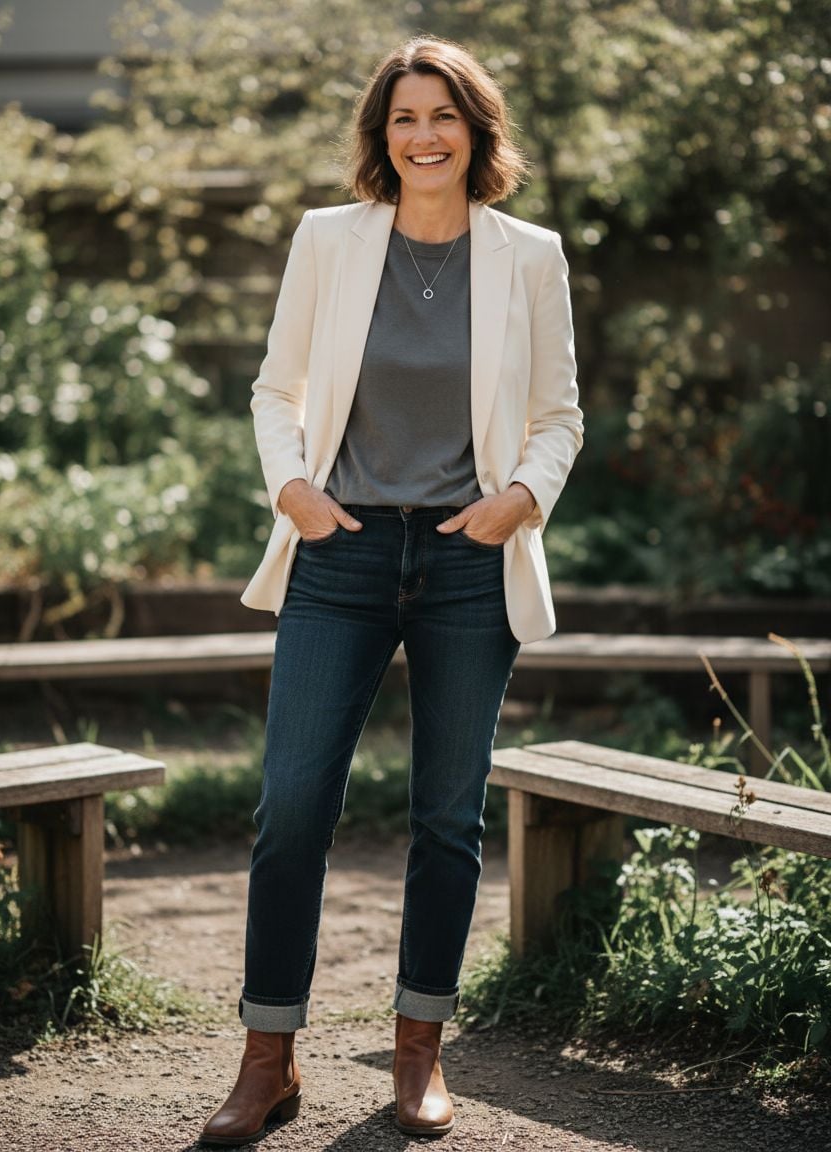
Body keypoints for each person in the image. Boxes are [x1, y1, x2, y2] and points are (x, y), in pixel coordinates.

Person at [200, 34, 582, 1146]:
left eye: (443, 117)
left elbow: (558, 415)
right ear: (382, 135)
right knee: (290, 810)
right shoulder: (328, 240)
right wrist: (293, 491)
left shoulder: (530, 256)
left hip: (470, 560)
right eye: (404, 118)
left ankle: (419, 1050)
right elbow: (278, 390)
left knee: (445, 819)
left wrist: (519, 496)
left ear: (475, 132)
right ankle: (266, 1058)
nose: (422, 136)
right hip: (342, 554)